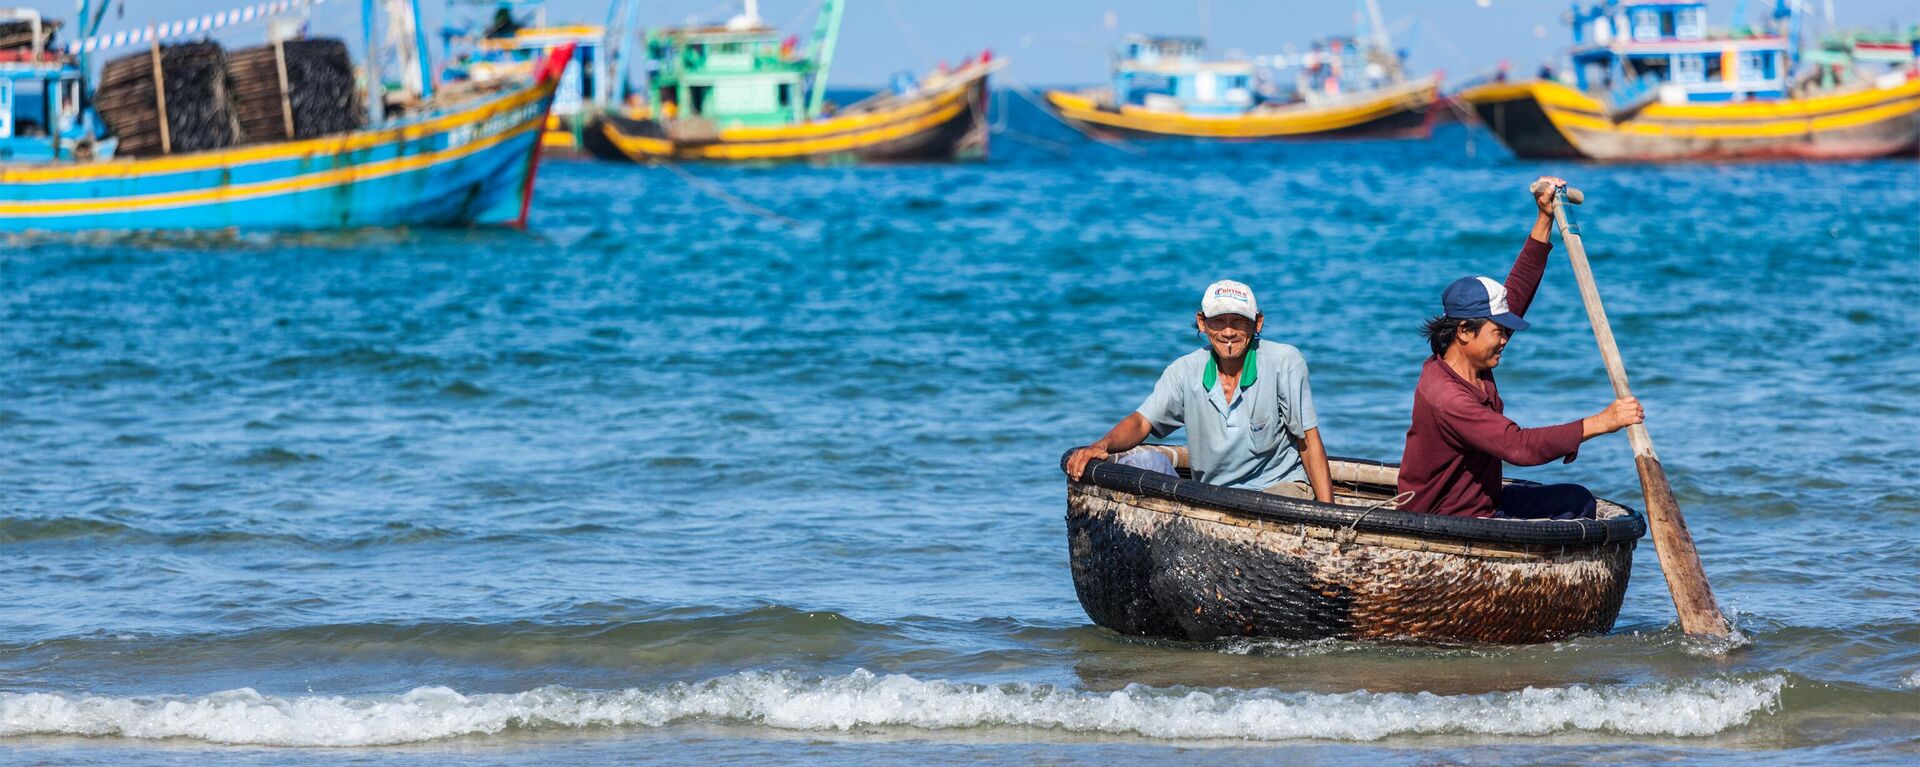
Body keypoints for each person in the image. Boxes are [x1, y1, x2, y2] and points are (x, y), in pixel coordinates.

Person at [1397, 176, 1644, 519]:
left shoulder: (1474, 358)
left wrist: (1544, 218)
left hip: (1485, 502)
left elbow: (1517, 292)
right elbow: (1518, 446)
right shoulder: (1447, 396)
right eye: (1498, 332)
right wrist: (1603, 422)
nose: (1504, 341)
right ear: (1464, 332)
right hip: (1449, 521)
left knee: (1578, 500)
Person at [1065, 280, 1334, 502]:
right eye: (1219, 321)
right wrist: (1101, 445)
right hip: (1214, 497)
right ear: (1202, 323)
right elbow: (1141, 422)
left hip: (1278, 489)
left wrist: (1327, 515)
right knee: (1144, 462)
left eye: (1238, 321)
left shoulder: (1285, 362)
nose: (1228, 331)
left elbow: (1308, 441)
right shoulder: (1184, 371)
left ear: (1257, 323)